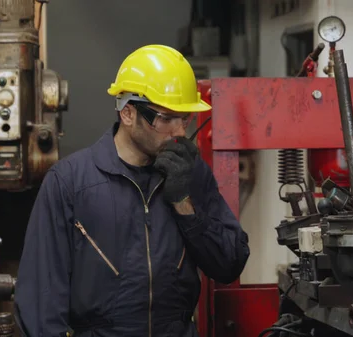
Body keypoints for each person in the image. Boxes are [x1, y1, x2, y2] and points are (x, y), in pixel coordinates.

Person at [14, 44, 250, 337]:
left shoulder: (191, 172)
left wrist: (183, 203)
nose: (178, 132)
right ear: (127, 113)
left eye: (185, 119)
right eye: (165, 118)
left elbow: (229, 264)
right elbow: (40, 305)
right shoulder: (70, 182)